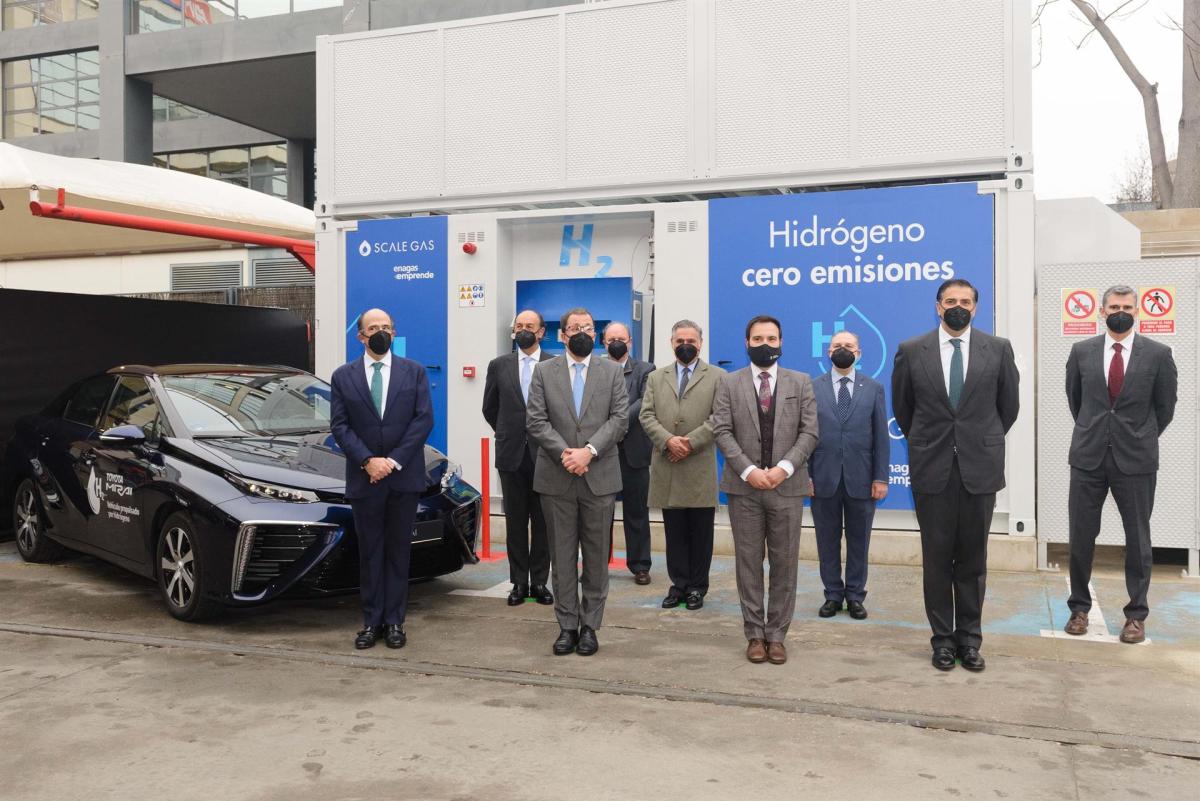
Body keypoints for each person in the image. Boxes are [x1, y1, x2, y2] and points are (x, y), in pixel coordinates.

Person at [891, 278, 1019, 672]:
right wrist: (932, 445)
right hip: (933, 472)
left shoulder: (997, 350)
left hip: (979, 470)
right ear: (938, 306)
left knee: (973, 561)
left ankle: (970, 640)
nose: (958, 306)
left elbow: (1007, 408)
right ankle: (942, 640)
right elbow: (904, 410)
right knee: (937, 559)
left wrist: (977, 442)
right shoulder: (911, 351)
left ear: (976, 308)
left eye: (965, 301)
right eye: (951, 301)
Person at [1064, 285, 1177, 644]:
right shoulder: (1081, 352)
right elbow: (1076, 400)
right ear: (1102, 311)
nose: (1120, 311)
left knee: (1138, 540)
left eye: (1127, 306)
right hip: (1088, 458)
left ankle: (1136, 616)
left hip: (1136, 461)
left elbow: (1165, 407)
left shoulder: (1158, 354)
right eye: (1114, 306)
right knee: (1081, 536)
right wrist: (1097, 431)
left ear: (1137, 310)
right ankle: (1079, 608)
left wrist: (1139, 435)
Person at [711, 315, 818, 665]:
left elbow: (809, 433)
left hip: (786, 488)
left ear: (782, 343)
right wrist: (749, 471)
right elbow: (722, 431)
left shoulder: (801, 382)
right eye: (758, 339)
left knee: (785, 564)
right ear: (746, 343)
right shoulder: (729, 383)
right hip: (745, 489)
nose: (765, 344)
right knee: (748, 564)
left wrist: (783, 470)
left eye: (771, 338)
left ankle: (777, 635)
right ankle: (754, 634)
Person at [526, 307, 629, 656]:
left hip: (599, 476)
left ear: (594, 332)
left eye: (587, 326)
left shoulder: (612, 372)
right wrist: (567, 454)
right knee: (562, 556)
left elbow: (619, 420)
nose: (581, 332)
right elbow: (536, 421)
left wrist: (589, 451)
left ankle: (590, 627)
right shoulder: (544, 371)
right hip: (557, 478)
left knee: (597, 558)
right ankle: (567, 626)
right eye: (574, 327)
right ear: (562, 334)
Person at [330, 308, 434, 650]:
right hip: (365, 479)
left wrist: (391, 461)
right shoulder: (343, 376)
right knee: (370, 552)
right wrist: (367, 461)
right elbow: (340, 426)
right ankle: (371, 622)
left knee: (397, 553)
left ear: (394, 332)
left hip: (402, 477)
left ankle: (395, 622)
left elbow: (422, 422)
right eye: (374, 328)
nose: (381, 333)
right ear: (360, 336)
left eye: (386, 327)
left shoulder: (414, 372)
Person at [639, 319, 724, 610]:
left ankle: (698, 587)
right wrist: (668, 441)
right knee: (674, 531)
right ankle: (678, 585)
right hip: (667, 464)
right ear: (671, 343)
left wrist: (688, 442)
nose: (685, 345)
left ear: (700, 343)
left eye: (691, 341)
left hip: (699, 464)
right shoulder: (656, 377)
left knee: (701, 532)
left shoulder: (718, 376)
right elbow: (646, 415)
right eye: (679, 341)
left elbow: (720, 417)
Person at [809, 330, 889, 620]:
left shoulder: (874, 388)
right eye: (837, 346)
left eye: (849, 346)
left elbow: (881, 436)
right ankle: (832, 594)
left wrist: (881, 477)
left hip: (863, 479)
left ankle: (855, 595)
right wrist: (805, 476)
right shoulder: (812, 386)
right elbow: (804, 434)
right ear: (828, 352)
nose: (843, 349)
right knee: (826, 541)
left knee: (859, 541)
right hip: (822, 478)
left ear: (859, 353)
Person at [482, 310, 555, 607]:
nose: (524, 330)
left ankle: (539, 582)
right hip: (511, 454)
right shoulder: (499, 365)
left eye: (530, 326)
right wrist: (508, 432)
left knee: (543, 521)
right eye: (519, 326)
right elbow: (490, 407)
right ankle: (518, 582)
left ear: (541, 332)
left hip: (545, 455)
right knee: (514, 521)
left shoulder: (555, 364)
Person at [601, 321, 655, 584]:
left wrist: (616, 423)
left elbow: (645, 402)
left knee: (637, 513)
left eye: (620, 338)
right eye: (611, 339)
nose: (616, 343)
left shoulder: (646, 370)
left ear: (630, 341)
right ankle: (597, 566)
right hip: (602, 453)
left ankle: (641, 565)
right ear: (603, 342)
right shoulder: (595, 370)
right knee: (600, 515)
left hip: (634, 453)